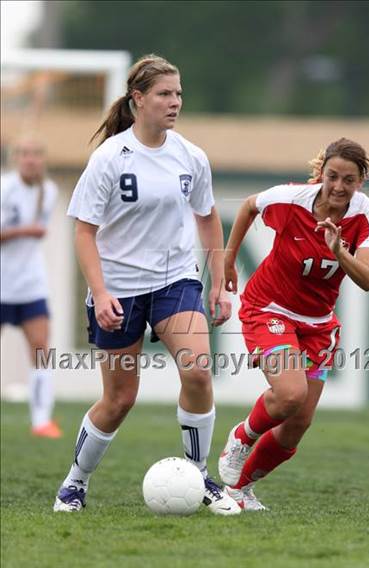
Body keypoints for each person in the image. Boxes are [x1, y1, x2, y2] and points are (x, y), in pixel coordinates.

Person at [53, 54, 240, 515]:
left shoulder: (190, 156)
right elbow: (83, 231)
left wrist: (217, 284)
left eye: (178, 94)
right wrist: (100, 292)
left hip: (174, 280)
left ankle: (199, 476)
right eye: (164, 94)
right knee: (119, 399)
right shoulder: (109, 158)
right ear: (138, 100)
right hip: (118, 288)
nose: (174, 102)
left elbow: (208, 216)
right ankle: (74, 483)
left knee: (197, 372)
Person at [218, 138, 369, 510]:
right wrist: (229, 261)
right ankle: (241, 438)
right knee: (290, 394)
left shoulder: (366, 214)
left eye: (349, 180)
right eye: (333, 176)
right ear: (321, 172)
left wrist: (339, 250)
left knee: (296, 425)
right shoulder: (291, 199)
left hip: (319, 324)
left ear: (361, 181)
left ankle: (238, 491)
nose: (339, 187)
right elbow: (247, 207)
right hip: (269, 308)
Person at [0, 136, 62, 438]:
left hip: (31, 285)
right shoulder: (3, 188)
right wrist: (25, 230)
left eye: (36, 154)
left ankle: (41, 421)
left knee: (41, 351)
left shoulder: (47, 191)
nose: (31, 159)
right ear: (16, 158)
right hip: (2, 284)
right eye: (25, 154)